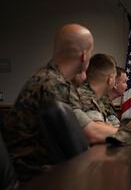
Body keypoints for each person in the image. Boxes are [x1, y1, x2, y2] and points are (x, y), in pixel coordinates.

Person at [1, 24, 95, 180]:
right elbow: (81, 139)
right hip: (32, 179)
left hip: (42, 171)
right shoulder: (51, 84)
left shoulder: (51, 78)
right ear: (84, 56)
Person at [78, 54, 121, 127]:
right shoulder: (86, 97)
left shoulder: (97, 97)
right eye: (115, 77)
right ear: (110, 79)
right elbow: (97, 130)